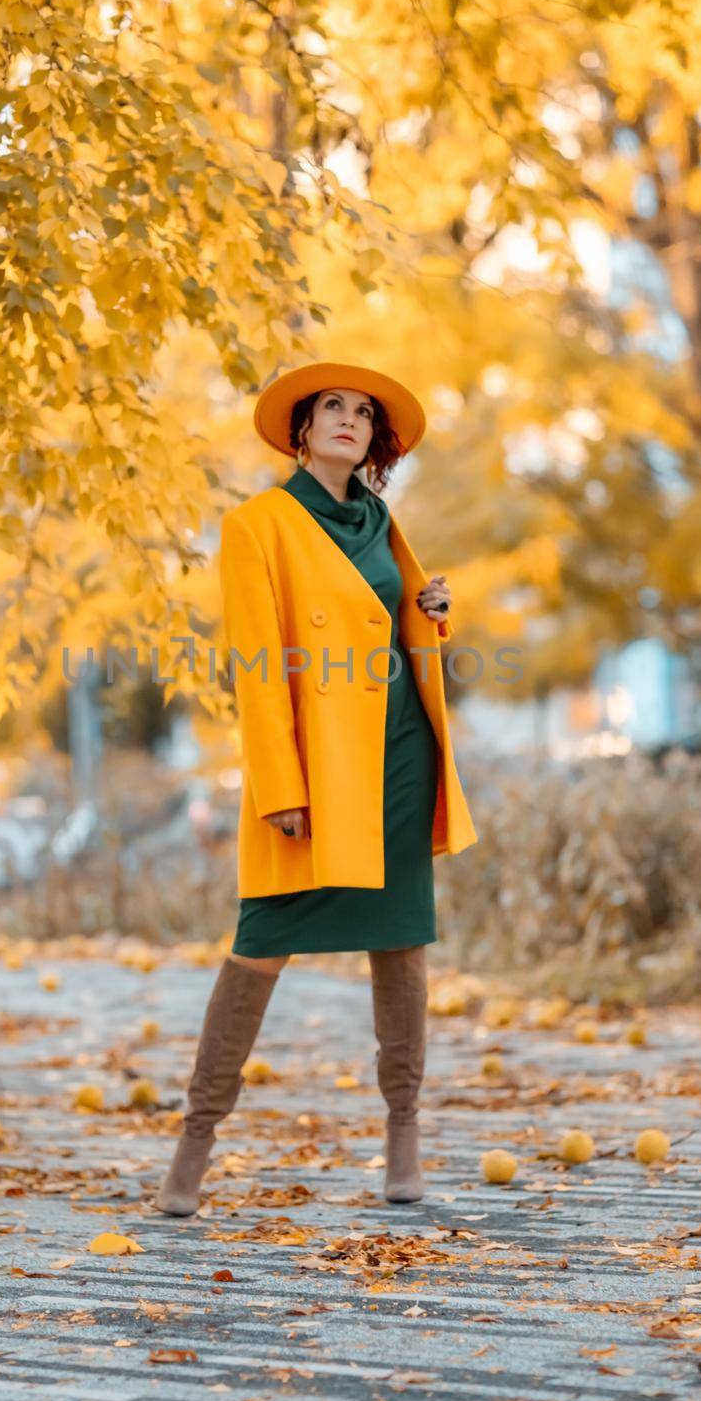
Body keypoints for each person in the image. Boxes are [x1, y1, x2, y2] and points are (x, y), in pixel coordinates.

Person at [154, 361, 478, 1216]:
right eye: (330, 407)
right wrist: (277, 785)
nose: (347, 419)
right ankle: (193, 1146)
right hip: (314, 767)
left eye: (363, 413)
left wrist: (430, 607)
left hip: (398, 751)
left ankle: (402, 1137)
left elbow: (391, 625)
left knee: (400, 942)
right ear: (300, 431)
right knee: (259, 943)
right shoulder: (256, 525)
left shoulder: (382, 520)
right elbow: (255, 673)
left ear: (376, 440)